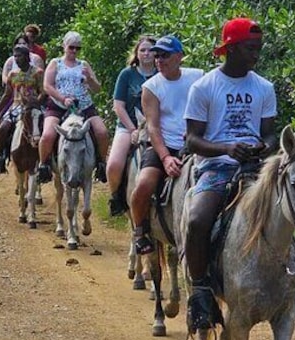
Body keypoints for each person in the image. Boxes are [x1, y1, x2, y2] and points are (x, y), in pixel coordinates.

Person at [183, 17, 278, 333]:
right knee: (198, 220)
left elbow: (271, 134)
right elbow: (192, 139)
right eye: (250, 49)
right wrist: (226, 148)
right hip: (216, 166)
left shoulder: (264, 87)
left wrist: (262, 147)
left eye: (258, 49)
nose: (256, 55)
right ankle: (201, 290)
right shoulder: (204, 87)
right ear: (232, 49)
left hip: (255, 167)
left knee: (294, 207)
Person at [129, 35, 204, 255]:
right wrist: (165, 158)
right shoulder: (151, 87)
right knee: (143, 184)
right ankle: (140, 231)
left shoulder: (198, 77)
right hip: (165, 145)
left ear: (179, 56)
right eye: (157, 55)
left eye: (165, 55)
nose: (159, 60)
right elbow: (152, 127)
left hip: (197, 143)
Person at [36, 31, 109, 184]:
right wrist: (63, 98)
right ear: (64, 46)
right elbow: (47, 86)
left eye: (78, 48)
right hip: (58, 105)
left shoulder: (84, 64)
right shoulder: (55, 63)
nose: (74, 51)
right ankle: (44, 165)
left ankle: (102, 163)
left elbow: (97, 89)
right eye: (71, 47)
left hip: (83, 104)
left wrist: (89, 79)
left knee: (102, 132)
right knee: (48, 135)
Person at [106, 35, 157, 216]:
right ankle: (116, 197)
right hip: (128, 125)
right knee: (113, 164)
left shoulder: (161, 75)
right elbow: (118, 105)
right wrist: (133, 129)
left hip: (155, 127)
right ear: (136, 53)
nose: (146, 53)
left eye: (150, 50)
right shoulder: (127, 74)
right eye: (142, 50)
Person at [0, 44, 45, 173]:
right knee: (3, 127)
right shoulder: (12, 74)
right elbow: (7, 94)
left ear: (26, 57)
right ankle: (1, 156)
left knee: (47, 127)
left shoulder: (38, 72)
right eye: (15, 56)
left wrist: (36, 102)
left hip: (34, 107)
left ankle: (48, 161)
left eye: (19, 56)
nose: (16, 59)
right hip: (16, 106)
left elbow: (43, 91)